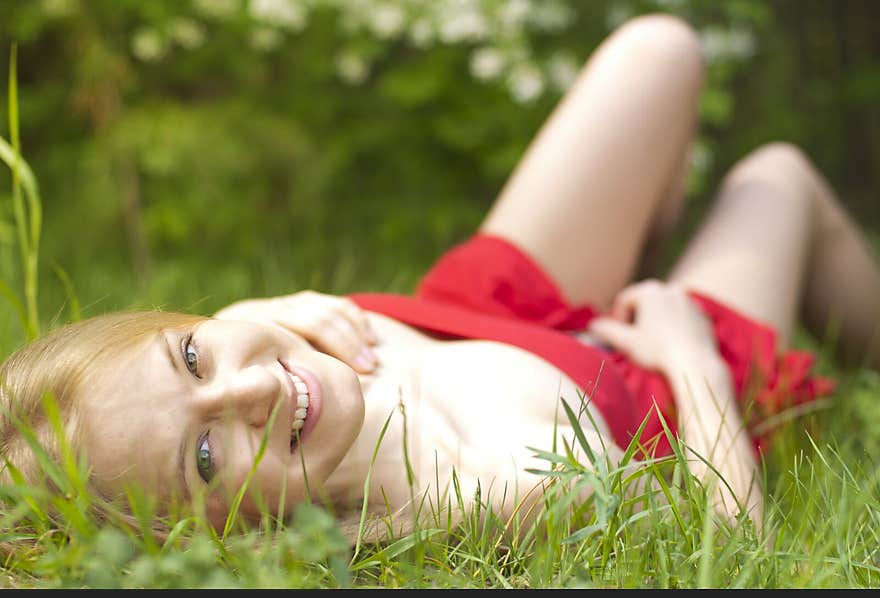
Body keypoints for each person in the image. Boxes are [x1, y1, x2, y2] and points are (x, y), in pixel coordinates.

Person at [2, 14, 879, 542]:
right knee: (780, 177)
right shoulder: (488, 490)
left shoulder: (256, 349)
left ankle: (645, 235)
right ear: (224, 542)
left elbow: (215, 359)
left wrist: (264, 308)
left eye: (190, 353)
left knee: (663, 49)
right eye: (205, 455)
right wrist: (693, 360)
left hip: (479, 313)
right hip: (635, 380)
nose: (255, 383)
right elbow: (732, 544)